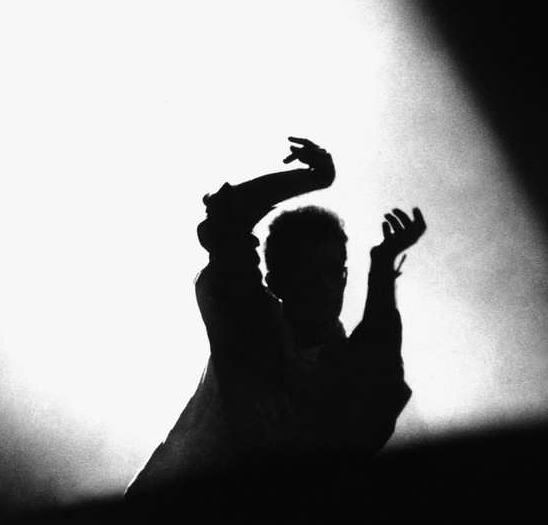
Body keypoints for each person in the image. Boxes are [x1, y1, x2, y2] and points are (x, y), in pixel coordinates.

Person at [125, 137, 426, 501]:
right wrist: (314, 180)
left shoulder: (340, 365)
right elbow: (225, 221)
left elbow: (376, 385)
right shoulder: (250, 325)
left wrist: (381, 272)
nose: (326, 288)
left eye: (335, 273)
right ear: (277, 282)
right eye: (310, 274)